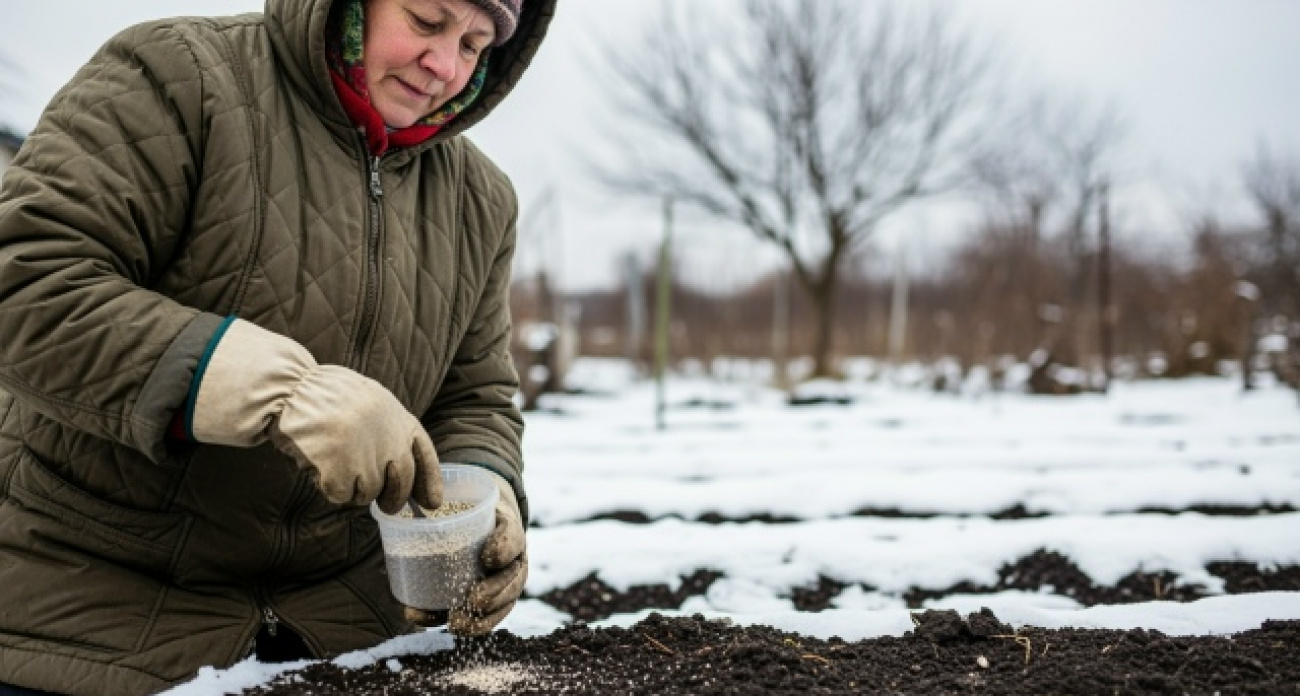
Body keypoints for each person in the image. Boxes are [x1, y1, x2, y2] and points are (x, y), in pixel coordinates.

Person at [0, 0, 553, 693]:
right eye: (424, 20)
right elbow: (29, 282)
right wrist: (275, 392)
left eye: (475, 45)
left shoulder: (479, 199)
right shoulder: (178, 77)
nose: (445, 67)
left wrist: (484, 490)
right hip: (90, 613)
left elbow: (473, 396)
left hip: (342, 628)